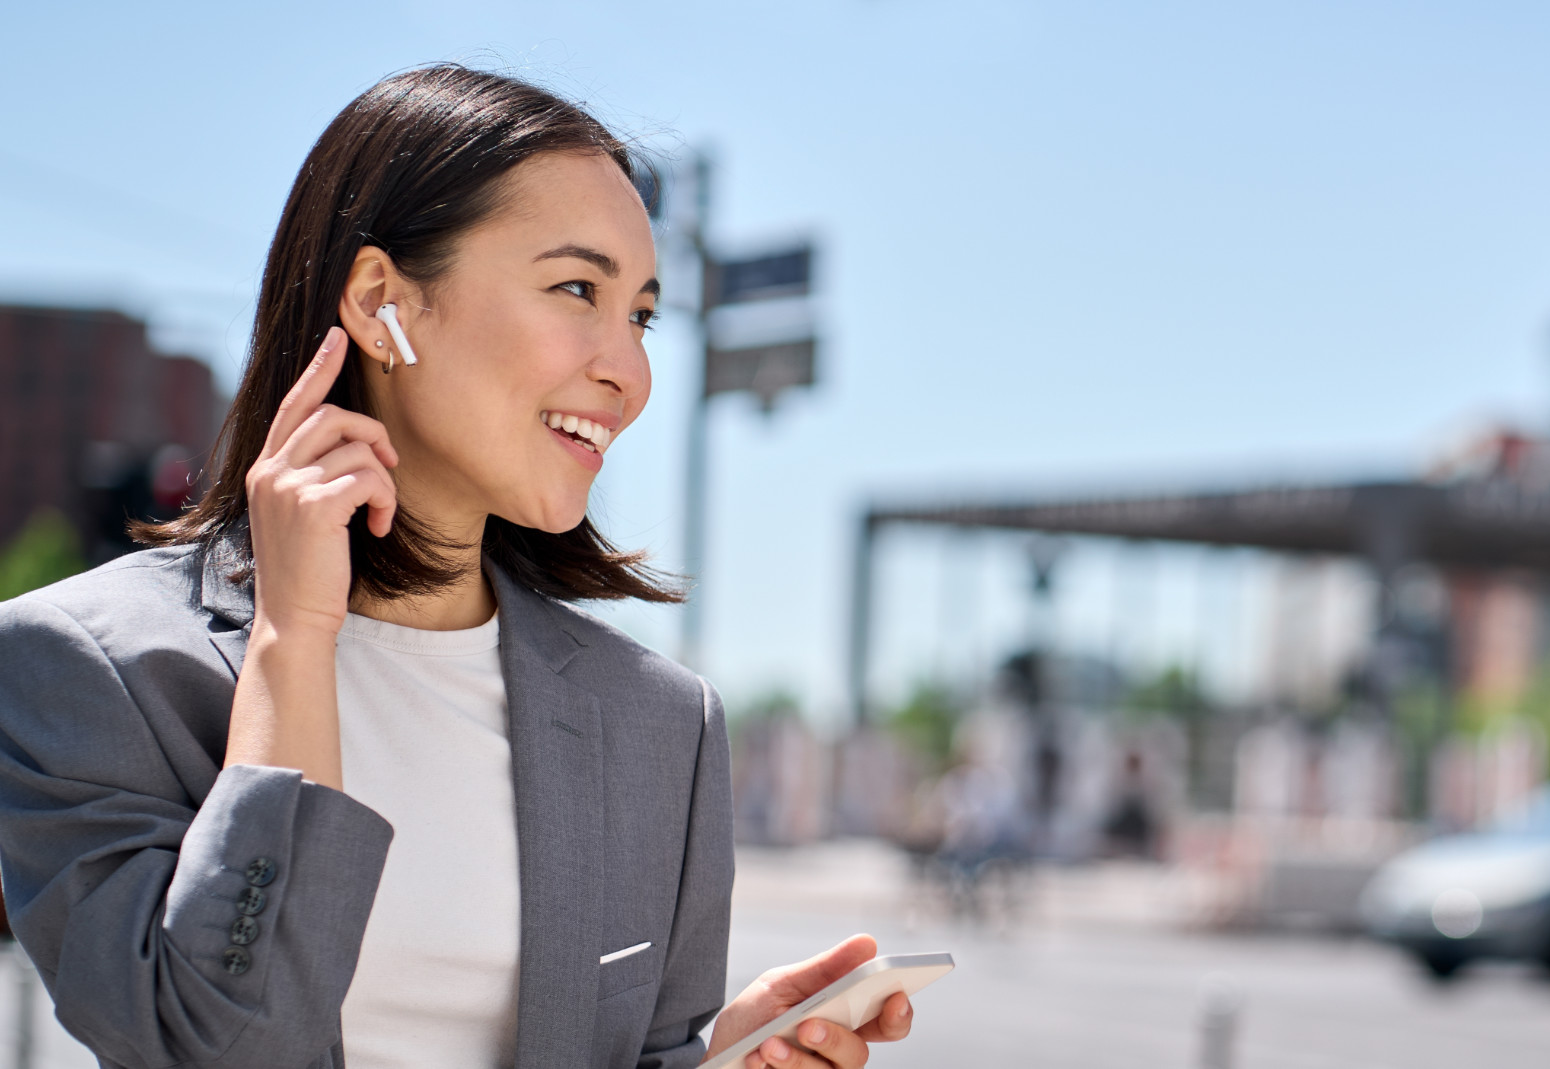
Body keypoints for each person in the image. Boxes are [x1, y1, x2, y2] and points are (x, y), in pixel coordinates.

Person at [0, 65, 913, 1069]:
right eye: (578, 289)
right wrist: (291, 642)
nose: (630, 371)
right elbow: (225, 1047)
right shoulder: (85, 669)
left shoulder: (660, 721)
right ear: (383, 302)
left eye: (642, 315)